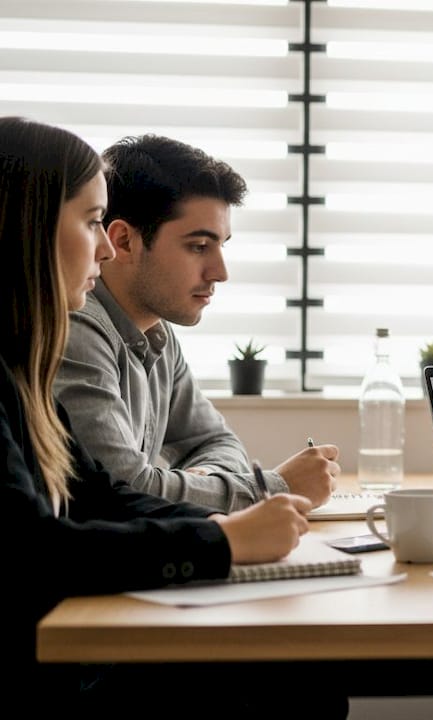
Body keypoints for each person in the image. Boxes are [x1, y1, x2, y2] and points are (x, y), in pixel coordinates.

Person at [0, 117, 347, 716]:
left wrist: (236, 525)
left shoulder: (24, 364)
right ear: (27, 228)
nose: (104, 247)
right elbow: (33, 551)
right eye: (89, 223)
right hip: (44, 678)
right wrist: (230, 529)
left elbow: (109, 492)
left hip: (67, 651)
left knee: (304, 673)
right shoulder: (55, 344)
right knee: (297, 679)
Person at [52, 134, 338, 512]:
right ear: (123, 241)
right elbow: (125, 492)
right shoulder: (78, 329)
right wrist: (278, 486)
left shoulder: (157, 333)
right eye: (199, 247)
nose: (220, 272)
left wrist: (192, 485)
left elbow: (218, 443)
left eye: (222, 246)